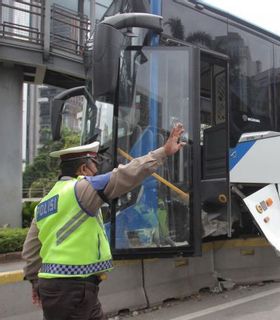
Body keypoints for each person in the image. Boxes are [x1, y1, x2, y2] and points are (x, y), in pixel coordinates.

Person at [21, 124, 186, 320]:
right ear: (83, 168)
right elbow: (124, 175)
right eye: (94, 165)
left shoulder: (46, 202)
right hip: (74, 289)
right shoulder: (82, 189)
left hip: (59, 288)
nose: (97, 169)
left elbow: (30, 250)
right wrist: (163, 152)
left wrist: (34, 282)